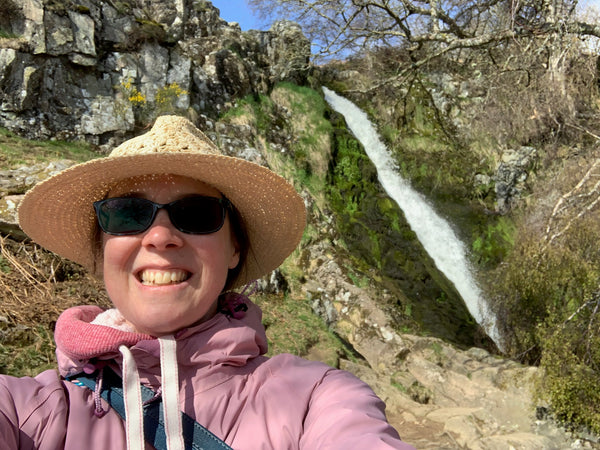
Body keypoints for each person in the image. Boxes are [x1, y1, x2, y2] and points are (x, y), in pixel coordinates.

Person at [0, 115, 415, 449]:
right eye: (127, 214)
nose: (160, 236)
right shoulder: (27, 412)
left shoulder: (314, 401)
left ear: (234, 248)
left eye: (197, 214)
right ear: (101, 251)